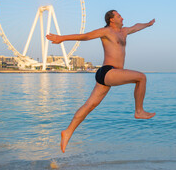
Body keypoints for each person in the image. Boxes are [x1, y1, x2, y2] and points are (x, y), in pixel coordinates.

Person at [46, 10, 156, 153]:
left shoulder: (124, 32)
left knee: (89, 106)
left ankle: (67, 132)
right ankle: (139, 111)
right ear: (111, 19)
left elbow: (136, 26)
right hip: (107, 71)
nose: (122, 18)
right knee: (141, 77)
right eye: (119, 16)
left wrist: (148, 24)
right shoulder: (106, 32)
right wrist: (62, 38)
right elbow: (85, 36)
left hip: (109, 75)